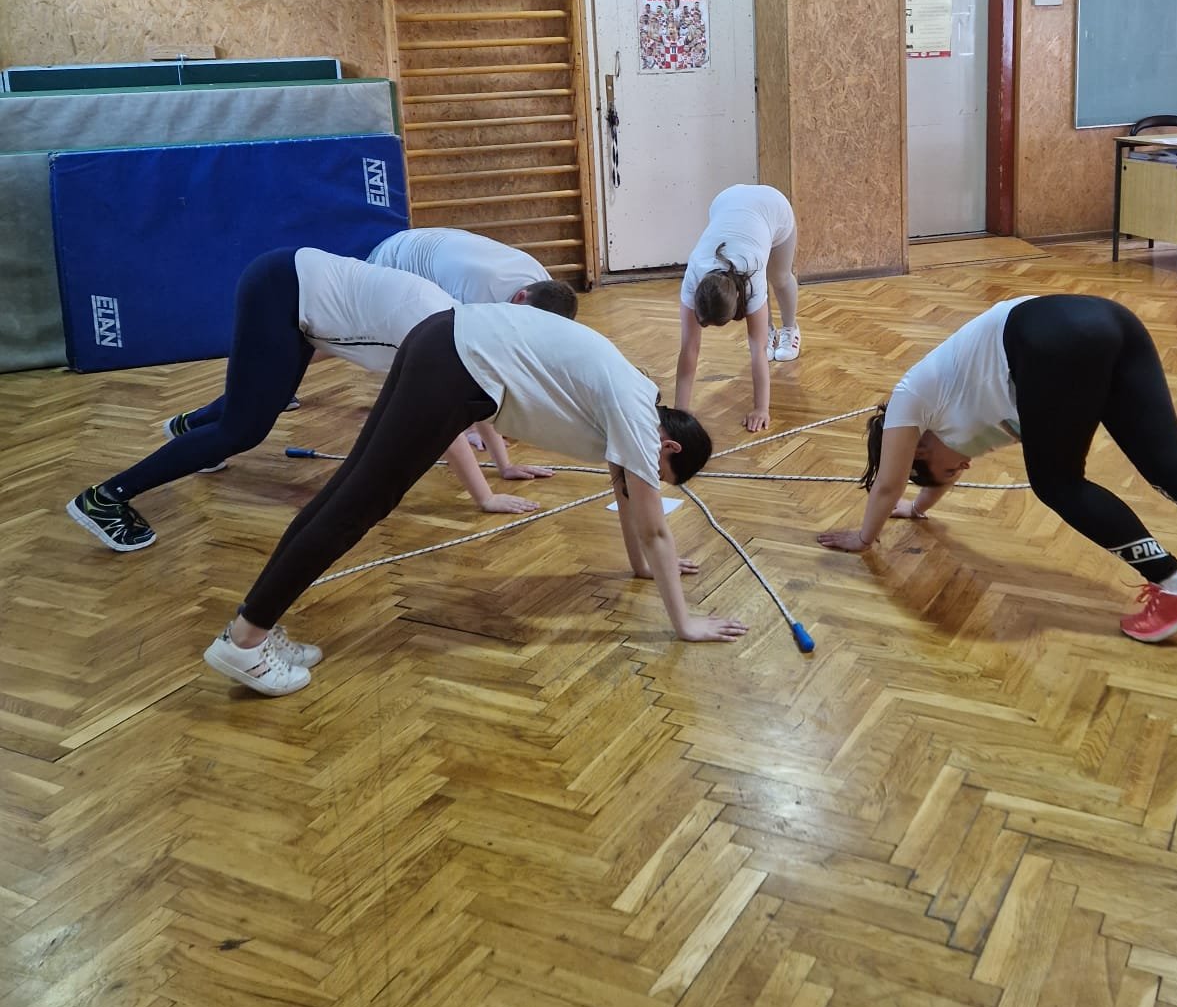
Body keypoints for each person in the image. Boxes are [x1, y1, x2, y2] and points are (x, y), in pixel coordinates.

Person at [202, 304, 745, 694]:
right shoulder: (637, 416)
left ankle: (254, 626)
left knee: (348, 490)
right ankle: (246, 641)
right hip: (457, 364)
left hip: (442, 338)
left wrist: (643, 568)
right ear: (669, 446)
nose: (650, 479)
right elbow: (654, 526)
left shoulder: (633, 398)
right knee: (358, 504)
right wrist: (685, 623)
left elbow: (625, 495)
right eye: (661, 473)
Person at [816, 294, 1177, 658]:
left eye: (940, 468)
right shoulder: (966, 417)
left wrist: (865, 536)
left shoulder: (910, 399)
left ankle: (1176, 586)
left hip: (1049, 337)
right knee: (1173, 470)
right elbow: (928, 479)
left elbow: (888, 482)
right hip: (1107, 320)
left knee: (1057, 483)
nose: (961, 469)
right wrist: (918, 509)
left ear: (918, 447)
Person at [66, 249, 542, 552]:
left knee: (262, 400)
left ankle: (191, 430)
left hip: (295, 296)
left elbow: (467, 397)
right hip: (283, 290)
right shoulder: (433, 333)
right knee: (244, 430)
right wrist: (484, 497)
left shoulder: (459, 324)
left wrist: (502, 466)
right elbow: (444, 425)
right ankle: (105, 499)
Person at [676, 184, 801, 434]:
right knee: (761, 325)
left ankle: (790, 328)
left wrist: (761, 409)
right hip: (727, 200)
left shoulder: (751, 273)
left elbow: (758, 350)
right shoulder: (694, 274)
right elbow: (689, 348)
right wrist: (680, 413)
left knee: (779, 277)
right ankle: (768, 326)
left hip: (772, 207)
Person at [368, 227, 577, 316]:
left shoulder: (543, 284)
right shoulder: (478, 294)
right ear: (521, 295)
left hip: (434, 241)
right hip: (393, 260)